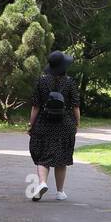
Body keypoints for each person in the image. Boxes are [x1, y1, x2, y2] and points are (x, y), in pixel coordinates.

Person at [26, 50, 80, 201]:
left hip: (44, 122)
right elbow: (75, 106)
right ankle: (60, 192)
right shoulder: (70, 82)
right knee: (61, 158)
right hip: (65, 123)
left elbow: (35, 106)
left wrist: (31, 124)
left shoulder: (41, 81)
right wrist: (77, 123)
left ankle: (42, 182)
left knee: (43, 156)